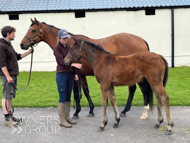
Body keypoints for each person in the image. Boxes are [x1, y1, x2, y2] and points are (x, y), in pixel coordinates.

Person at [0, 26, 33, 127]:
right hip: (7, 76)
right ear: (8, 34)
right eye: (13, 33)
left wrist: (29, 52)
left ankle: (10, 116)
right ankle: (7, 119)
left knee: (9, 96)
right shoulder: (1, 45)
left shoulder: (8, 45)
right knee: (6, 96)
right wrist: (8, 76)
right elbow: (1, 63)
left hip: (12, 74)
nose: (14, 35)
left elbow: (17, 56)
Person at [53, 29, 82, 128]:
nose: (65, 40)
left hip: (70, 74)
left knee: (68, 96)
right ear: (59, 38)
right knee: (62, 96)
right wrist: (74, 64)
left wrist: (75, 73)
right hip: (61, 74)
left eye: (66, 38)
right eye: (64, 38)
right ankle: (62, 120)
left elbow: (73, 60)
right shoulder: (57, 48)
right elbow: (61, 61)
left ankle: (67, 117)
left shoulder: (69, 47)